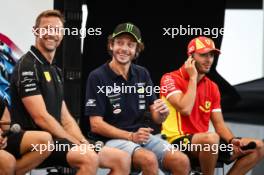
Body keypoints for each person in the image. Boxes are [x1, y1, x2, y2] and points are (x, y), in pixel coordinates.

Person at [10, 10, 130, 175]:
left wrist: (81, 141)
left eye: (57, 29)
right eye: (46, 28)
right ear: (36, 31)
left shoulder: (55, 70)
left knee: (122, 159)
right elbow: (41, 117)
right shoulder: (27, 65)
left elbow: (66, 119)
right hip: (35, 144)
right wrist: (74, 143)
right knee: (89, 158)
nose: (52, 33)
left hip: (57, 141)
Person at [85, 22, 190, 175]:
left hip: (141, 137)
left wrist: (162, 115)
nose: (124, 49)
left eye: (130, 45)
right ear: (111, 45)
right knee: (149, 160)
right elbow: (96, 125)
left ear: (136, 50)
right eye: (119, 43)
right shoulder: (97, 76)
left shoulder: (142, 73)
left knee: (181, 161)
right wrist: (131, 136)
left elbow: (156, 116)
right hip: (108, 140)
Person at [160, 36, 264, 175]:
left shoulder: (212, 87)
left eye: (211, 55)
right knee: (211, 138)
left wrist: (232, 140)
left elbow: (219, 125)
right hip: (174, 143)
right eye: (203, 55)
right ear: (190, 57)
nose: (209, 59)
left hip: (206, 145)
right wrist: (192, 78)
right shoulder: (170, 78)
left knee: (259, 147)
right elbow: (185, 109)